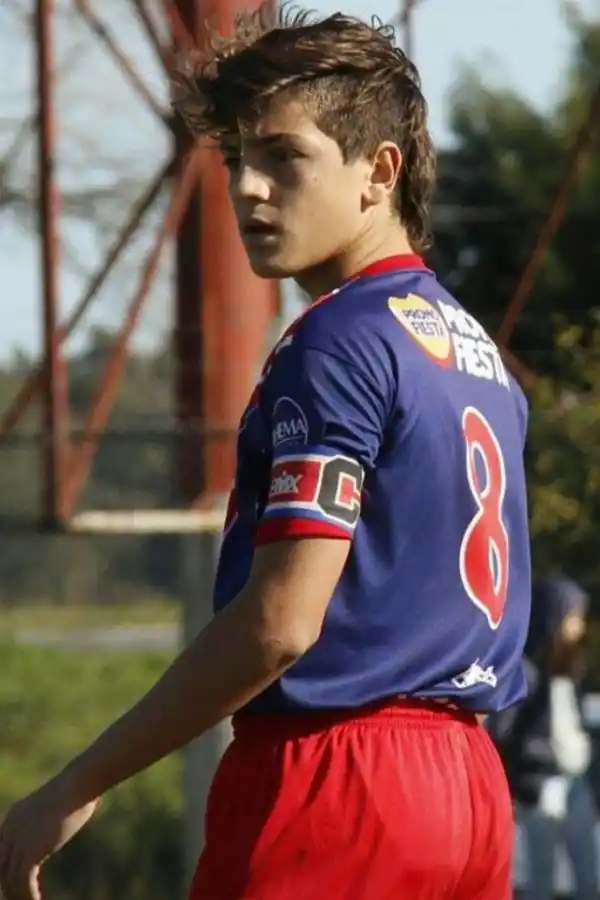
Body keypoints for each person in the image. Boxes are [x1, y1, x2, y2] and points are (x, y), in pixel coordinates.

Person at [0, 8, 532, 900]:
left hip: (338, 780)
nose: (247, 188)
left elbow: (281, 624)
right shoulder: (475, 352)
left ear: (380, 171)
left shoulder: (336, 342)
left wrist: (75, 784)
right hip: (470, 786)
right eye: (237, 158)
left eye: (284, 157)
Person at [490, 572, 598, 900]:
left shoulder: (570, 667)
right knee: (541, 871)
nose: (579, 627)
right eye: (573, 617)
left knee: (587, 866)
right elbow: (504, 730)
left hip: (574, 783)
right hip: (539, 786)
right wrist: (521, 778)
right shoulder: (527, 672)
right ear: (555, 616)